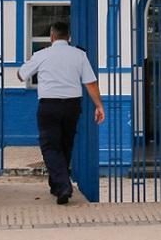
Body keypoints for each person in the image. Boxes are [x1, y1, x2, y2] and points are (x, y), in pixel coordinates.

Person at [17, 20, 105, 204]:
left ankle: (64, 185)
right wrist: (99, 106)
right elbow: (90, 82)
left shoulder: (41, 54)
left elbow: (21, 75)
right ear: (69, 37)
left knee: (50, 146)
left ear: (51, 36)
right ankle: (57, 186)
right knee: (65, 145)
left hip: (49, 106)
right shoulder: (79, 55)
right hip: (72, 106)